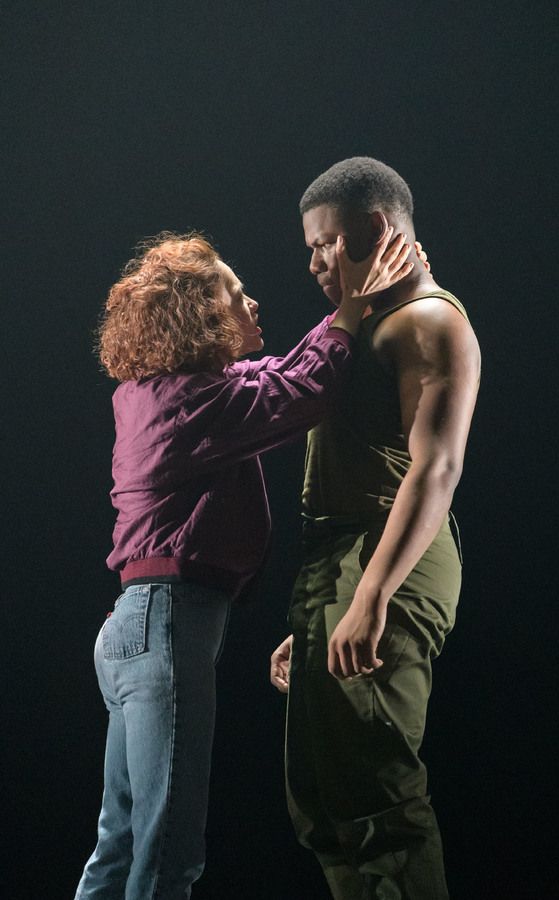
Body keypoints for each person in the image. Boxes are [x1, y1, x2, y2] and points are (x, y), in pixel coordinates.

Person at [74, 228, 415, 900]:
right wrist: (349, 309)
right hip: (164, 623)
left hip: (138, 627)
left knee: (119, 843)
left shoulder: (170, 392)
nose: (253, 302)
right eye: (235, 293)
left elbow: (275, 375)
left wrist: (352, 310)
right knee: (168, 851)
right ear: (198, 314)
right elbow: (302, 391)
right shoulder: (187, 405)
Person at [270, 157, 481, 900]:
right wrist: (326, 605)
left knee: (376, 798)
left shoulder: (428, 320)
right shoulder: (364, 326)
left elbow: (435, 469)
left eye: (325, 242)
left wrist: (372, 592)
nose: (314, 261)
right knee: (323, 803)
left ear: (374, 229)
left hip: (386, 555)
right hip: (343, 560)